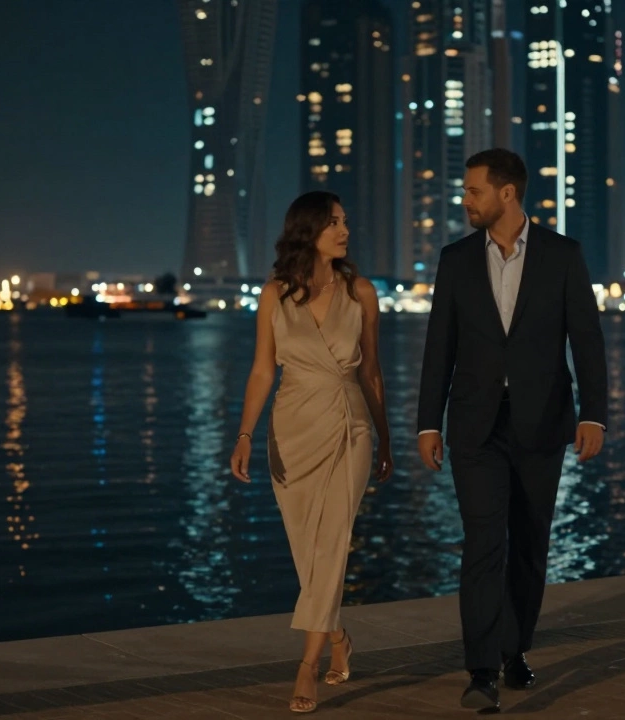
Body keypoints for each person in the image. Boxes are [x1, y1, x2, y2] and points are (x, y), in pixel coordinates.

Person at [416, 148, 609, 711]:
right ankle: (481, 671)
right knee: (483, 542)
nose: (465, 200)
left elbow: (587, 339)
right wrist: (428, 423)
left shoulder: (562, 255)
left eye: (473, 190)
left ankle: (514, 649)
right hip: (474, 424)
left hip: (542, 421)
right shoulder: (455, 259)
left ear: (507, 193)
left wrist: (593, 413)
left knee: (529, 543)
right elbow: (439, 347)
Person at [230, 191, 393, 714]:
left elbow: (371, 371)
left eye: (345, 221)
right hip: (291, 430)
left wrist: (385, 436)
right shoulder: (273, 294)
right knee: (307, 549)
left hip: (349, 427)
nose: (344, 231)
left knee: (332, 544)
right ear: (309, 230)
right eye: (333, 222)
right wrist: (244, 435)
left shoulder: (361, 292)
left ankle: (306, 666)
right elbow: (263, 369)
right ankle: (338, 636)